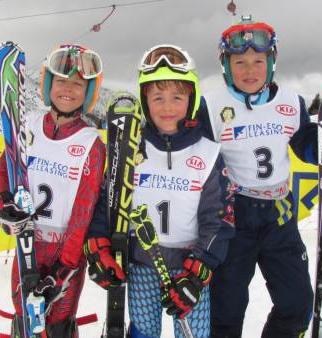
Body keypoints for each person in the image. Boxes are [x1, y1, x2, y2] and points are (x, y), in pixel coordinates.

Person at [200, 16, 322, 338]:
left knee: (298, 303)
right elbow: (197, 161)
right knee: (226, 309)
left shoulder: (291, 102)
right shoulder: (212, 105)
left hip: (279, 215)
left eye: (258, 61)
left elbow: (311, 150)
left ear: (271, 62)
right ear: (225, 65)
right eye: (240, 62)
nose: (249, 69)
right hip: (234, 219)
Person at [85, 44, 236, 338]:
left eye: (177, 97)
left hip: (188, 267)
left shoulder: (207, 154)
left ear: (190, 99)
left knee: (196, 333)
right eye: (157, 98)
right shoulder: (130, 148)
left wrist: (199, 271)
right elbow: (109, 201)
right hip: (141, 264)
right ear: (145, 100)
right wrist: (98, 244)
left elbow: (218, 220)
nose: (167, 107)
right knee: (143, 332)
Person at [0, 44, 106, 337]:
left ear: (89, 93)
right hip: (27, 244)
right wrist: (3, 201)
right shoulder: (28, 125)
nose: (68, 89)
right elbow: (3, 171)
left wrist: (63, 269)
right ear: (47, 85)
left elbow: (84, 212)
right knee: (23, 315)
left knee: (56, 321)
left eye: (78, 84)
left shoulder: (92, 144)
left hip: (64, 253)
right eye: (61, 81)